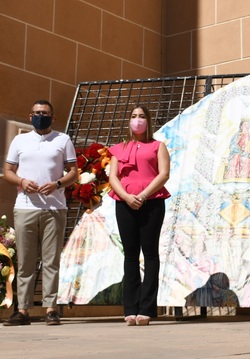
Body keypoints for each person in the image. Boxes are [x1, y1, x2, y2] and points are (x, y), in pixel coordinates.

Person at [3, 99, 78, 326]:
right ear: (30, 116)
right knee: (25, 260)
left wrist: (57, 183)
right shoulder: (20, 140)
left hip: (54, 207)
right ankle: (23, 310)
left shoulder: (63, 140)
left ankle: (51, 309)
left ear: (53, 118)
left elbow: (74, 172)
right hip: (25, 207)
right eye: (36, 113)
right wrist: (22, 181)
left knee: (51, 260)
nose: (40, 116)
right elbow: (7, 171)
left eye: (44, 113)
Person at [108, 105, 171, 326]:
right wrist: (126, 196)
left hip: (152, 202)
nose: (137, 120)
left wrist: (143, 195)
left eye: (142, 116)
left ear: (148, 120)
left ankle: (147, 308)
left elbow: (164, 174)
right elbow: (113, 177)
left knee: (150, 253)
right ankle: (130, 308)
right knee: (130, 255)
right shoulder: (119, 148)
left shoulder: (157, 146)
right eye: (134, 116)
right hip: (124, 203)